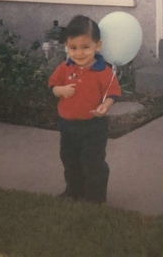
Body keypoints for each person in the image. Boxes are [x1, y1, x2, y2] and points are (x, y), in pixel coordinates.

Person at [48, 15, 121, 203]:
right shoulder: (64, 68)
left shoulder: (103, 71)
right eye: (73, 48)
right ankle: (73, 191)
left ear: (97, 46)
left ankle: (95, 198)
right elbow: (53, 87)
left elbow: (111, 94)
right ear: (66, 46)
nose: (79, 53)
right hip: (68, 124)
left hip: (93, 126)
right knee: (70, 160)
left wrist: (105, 106)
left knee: (92, 162)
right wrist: (61, 90)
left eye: (85, 47)